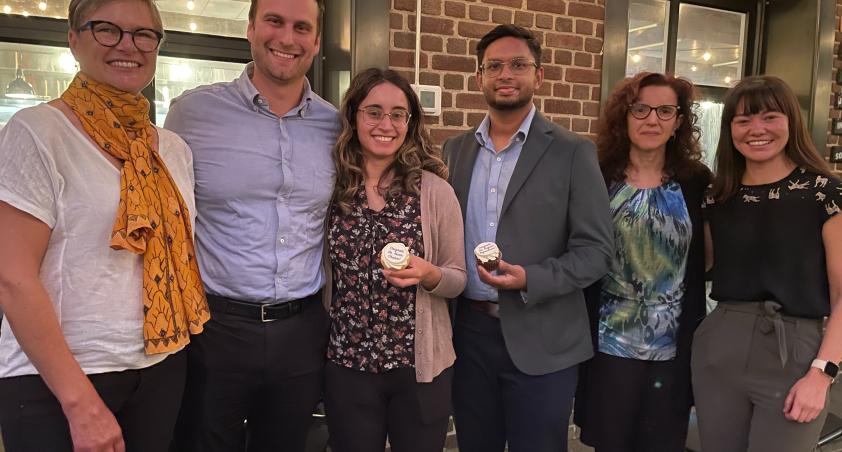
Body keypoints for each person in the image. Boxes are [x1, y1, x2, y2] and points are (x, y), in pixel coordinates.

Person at [0, 0, 208, 449]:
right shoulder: (38, 132)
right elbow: (12, 279)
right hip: (61, 380)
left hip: (161, 364)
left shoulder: (173, 148)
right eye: (107, 29)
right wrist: (80, 404)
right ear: (74, 39)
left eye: (143, 34)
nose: (128, 46)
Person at [163, 0, 338, 450]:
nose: (287, 38)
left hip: (302, 329)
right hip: (214, 328)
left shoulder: (336, 127)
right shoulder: (192, 114)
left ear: (317, 41)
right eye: (274, 21)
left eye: (302, 27)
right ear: (250, 29)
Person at [442, 24, 614, 452]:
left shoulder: (573, 151)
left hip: (544, 338)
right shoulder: (454, 151)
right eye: (494, 66)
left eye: (518, 64)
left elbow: (596, 252)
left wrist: (529, 279)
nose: (505, 74)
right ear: (479, 77)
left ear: (538, 76)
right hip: (469, 335)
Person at [693, 75, 842, 452]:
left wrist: (823, 373)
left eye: (770, 117)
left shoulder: (824, 193)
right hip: (720, 345)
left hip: (795, 351)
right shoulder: (717, 197)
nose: (756, 129)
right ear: (730, 130)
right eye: (743, 120)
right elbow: (702, 266)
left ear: (791, 121)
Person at [323, 67, 466, 452]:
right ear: (354, 116)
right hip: (348, 364)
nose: (386, 124)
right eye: (374, 112)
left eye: (398, 114)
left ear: (410, 122)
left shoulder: (434, 191)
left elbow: (458, 277)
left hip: (418, 370)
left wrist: (429, 274)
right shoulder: (332, 188)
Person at [573, 72, 711, 452]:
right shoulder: (597, 175)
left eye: (665, 111)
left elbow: (707, 258)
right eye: (641, 109)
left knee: (662, 442)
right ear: (624, 116)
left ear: (678, 121)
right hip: (607, 341)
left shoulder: (696, 181)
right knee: (611, 441)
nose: (652, 119)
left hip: (673, 344)